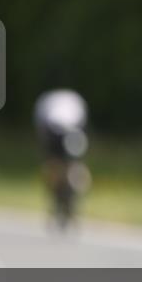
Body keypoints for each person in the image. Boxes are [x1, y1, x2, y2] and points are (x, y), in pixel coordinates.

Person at [33, 88, 91, 229]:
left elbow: (40, 132)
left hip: (57, 128)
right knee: (69, 165)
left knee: (58, 165)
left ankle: (65, 193)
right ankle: (69, 193)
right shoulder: (73, 100)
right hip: (65, 128)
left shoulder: (46, 101)